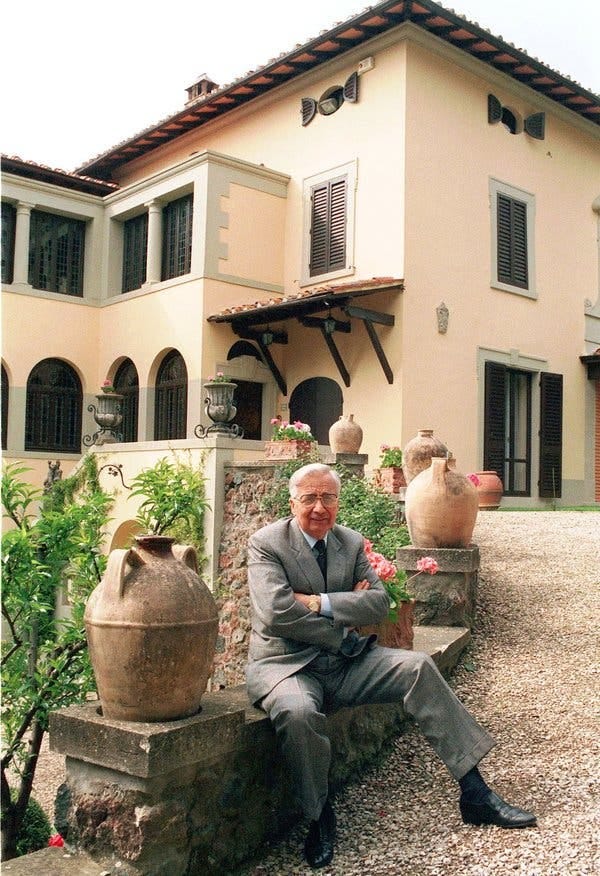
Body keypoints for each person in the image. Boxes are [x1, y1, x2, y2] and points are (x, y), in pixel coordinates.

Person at [246, 463, 536, 869]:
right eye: (309, 498)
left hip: (345, 663)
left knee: (417, 668)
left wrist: (318, 602)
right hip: (287, 666)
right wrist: (346, 609)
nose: (318, 507)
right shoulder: (267, 543)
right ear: (292, 502)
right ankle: (319, 816)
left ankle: (475, 793)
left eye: (327, 497)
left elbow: (380, 603)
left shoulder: (348, 542)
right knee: (298, 713)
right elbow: (276, 614)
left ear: (338, 502)